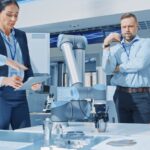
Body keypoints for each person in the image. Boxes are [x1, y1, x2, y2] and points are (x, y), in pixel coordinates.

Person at [102, 13, 150, 123]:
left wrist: (119, 68)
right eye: (124, 27)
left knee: (144, 133)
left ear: (137, 26)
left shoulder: (146, 43)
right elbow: (108, 69)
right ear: (121, 28)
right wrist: (106, 44)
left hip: (142, 96)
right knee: (125, 132)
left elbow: (139, 63)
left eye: (130, 26)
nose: (127, 30)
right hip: (121, 95)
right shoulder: (115, 49)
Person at [0, 0, 40, 130]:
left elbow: (26, 64)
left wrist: (32, 81)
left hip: (20, 96)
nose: (13, 19)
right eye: (9, 14)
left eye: (16, 15)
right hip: (2, 96)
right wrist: (5, 80)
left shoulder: (21, 35)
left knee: (25, 135)